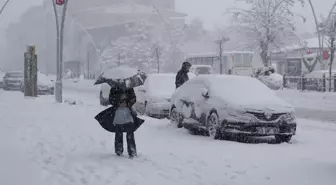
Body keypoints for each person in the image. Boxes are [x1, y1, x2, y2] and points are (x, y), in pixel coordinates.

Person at [109, 85, 137, 158]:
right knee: (118, 133)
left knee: (130, 133)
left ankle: (132, 151)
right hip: (118, 114)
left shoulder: (129, 87)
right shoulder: (114, 88)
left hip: (128, 114)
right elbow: (110, 100)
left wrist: (128, 103)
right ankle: (119, 150)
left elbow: (134, 98)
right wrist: (118, 103)